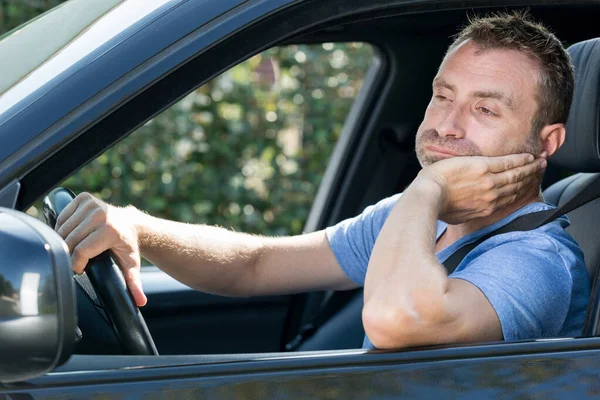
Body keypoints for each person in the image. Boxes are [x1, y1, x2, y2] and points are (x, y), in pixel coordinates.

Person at [55, 12, 590, 350]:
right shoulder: (418, 223)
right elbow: (254, 265)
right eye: (443, 95)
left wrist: (427, 190)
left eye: (486, 110)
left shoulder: (535, 259)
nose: (447, 125)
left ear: (548, 142)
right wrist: (139, 228)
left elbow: (394, 321)